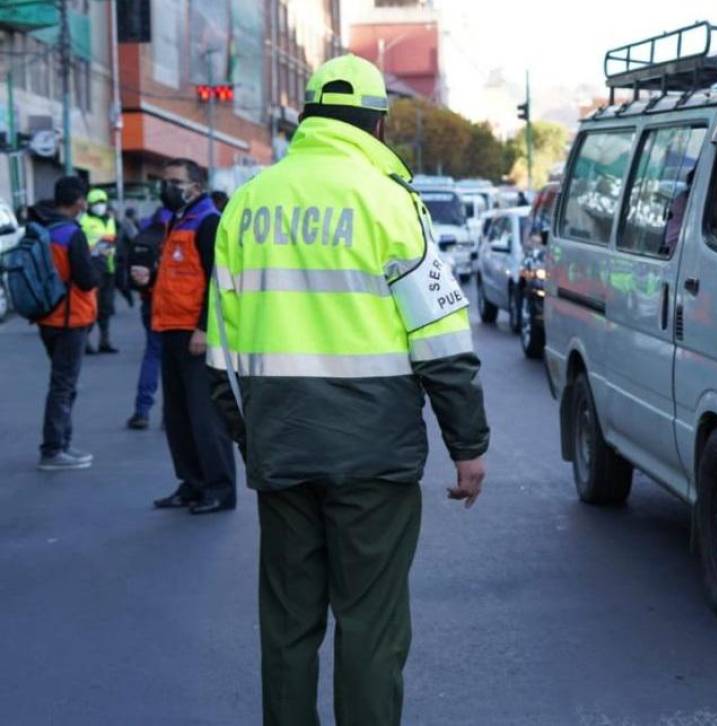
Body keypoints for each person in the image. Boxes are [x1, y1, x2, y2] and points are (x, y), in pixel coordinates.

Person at [207, 54, 489, 726]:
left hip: (283, 450)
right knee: (369, 625)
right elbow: (442, 340)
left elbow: (221, 353)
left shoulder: (247, 203)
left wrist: (256, 441)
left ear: (308, 117)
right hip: (374, 460)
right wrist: (468, 445)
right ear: (376, 125)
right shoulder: (390, 202)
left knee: (287, 628)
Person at [132, 159, 237, 514]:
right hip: (170, 328)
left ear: (196, 187)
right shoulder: (176, 221)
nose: (167, 187)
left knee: (205, 417)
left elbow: (217, 280)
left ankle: (220, 488)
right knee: (177, 417)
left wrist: (205, 327)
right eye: (165, 180)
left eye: (174, 181)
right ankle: (192, 483)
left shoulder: (208, 222)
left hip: (195, 333)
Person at [31, 176, 100, 471]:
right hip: (71, 317)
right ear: (79, 202)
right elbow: (86, 280)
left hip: (46, 315)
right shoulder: (72, 233)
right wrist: (97, 262)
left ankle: (62, 443)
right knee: (63, 385)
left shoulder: (40, 227)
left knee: (62, 382)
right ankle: (54, 448)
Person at [122, 206, 172, 430]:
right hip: (177, 305)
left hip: (149, 302)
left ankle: (142, 411)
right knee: (176, 362)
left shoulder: (145, 232)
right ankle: (169, 414)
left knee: (152, 355)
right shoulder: (182, 229)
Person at [81, 188, 120, 354]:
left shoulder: (110, 220)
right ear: (89, 205)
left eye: (102, 202)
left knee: (106, 308)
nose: (100, 206)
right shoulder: (83, 221)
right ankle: (85, 342)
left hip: (108, 269)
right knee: (90, 307)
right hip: (92, 269)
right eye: (96, 203)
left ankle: (105, 340)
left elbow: (113, 242)